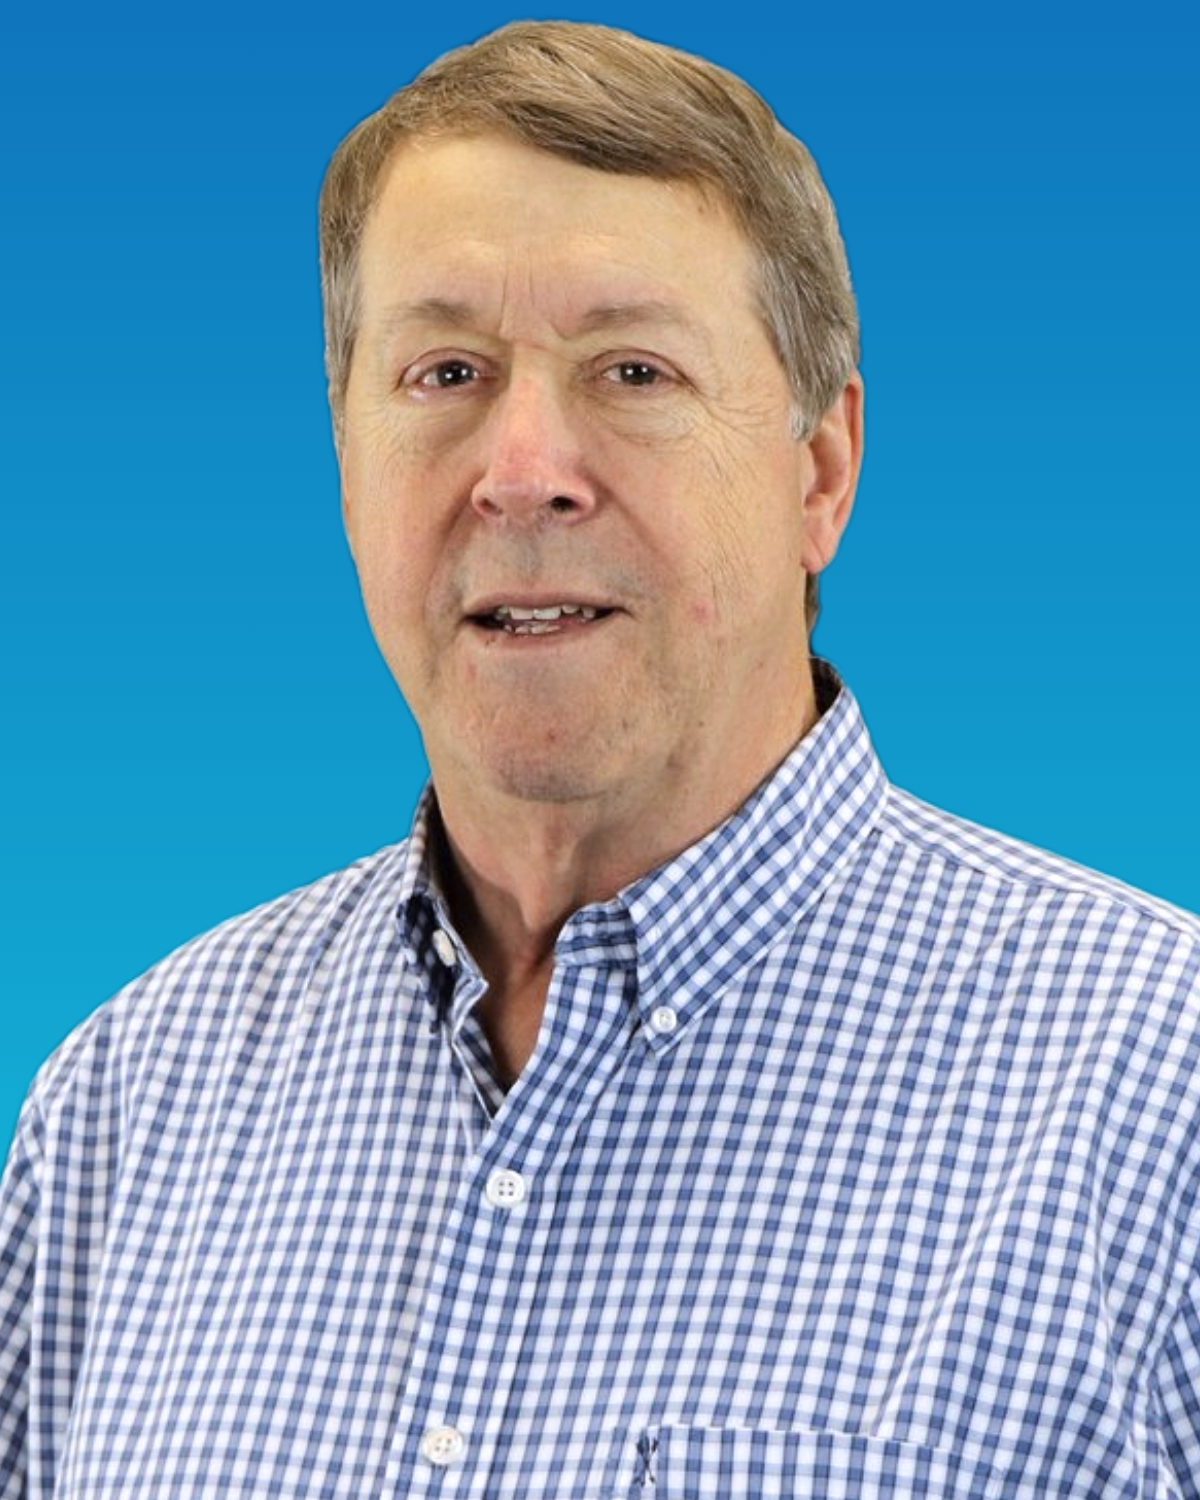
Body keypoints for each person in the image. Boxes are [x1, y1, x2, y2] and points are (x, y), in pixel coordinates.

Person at [2, 18, 1199, 1498]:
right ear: (344, 457)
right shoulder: (122, 1113)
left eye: (632, 370)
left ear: (818, 472)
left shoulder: (1157, 1094)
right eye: (444, 373)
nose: (521, 473)